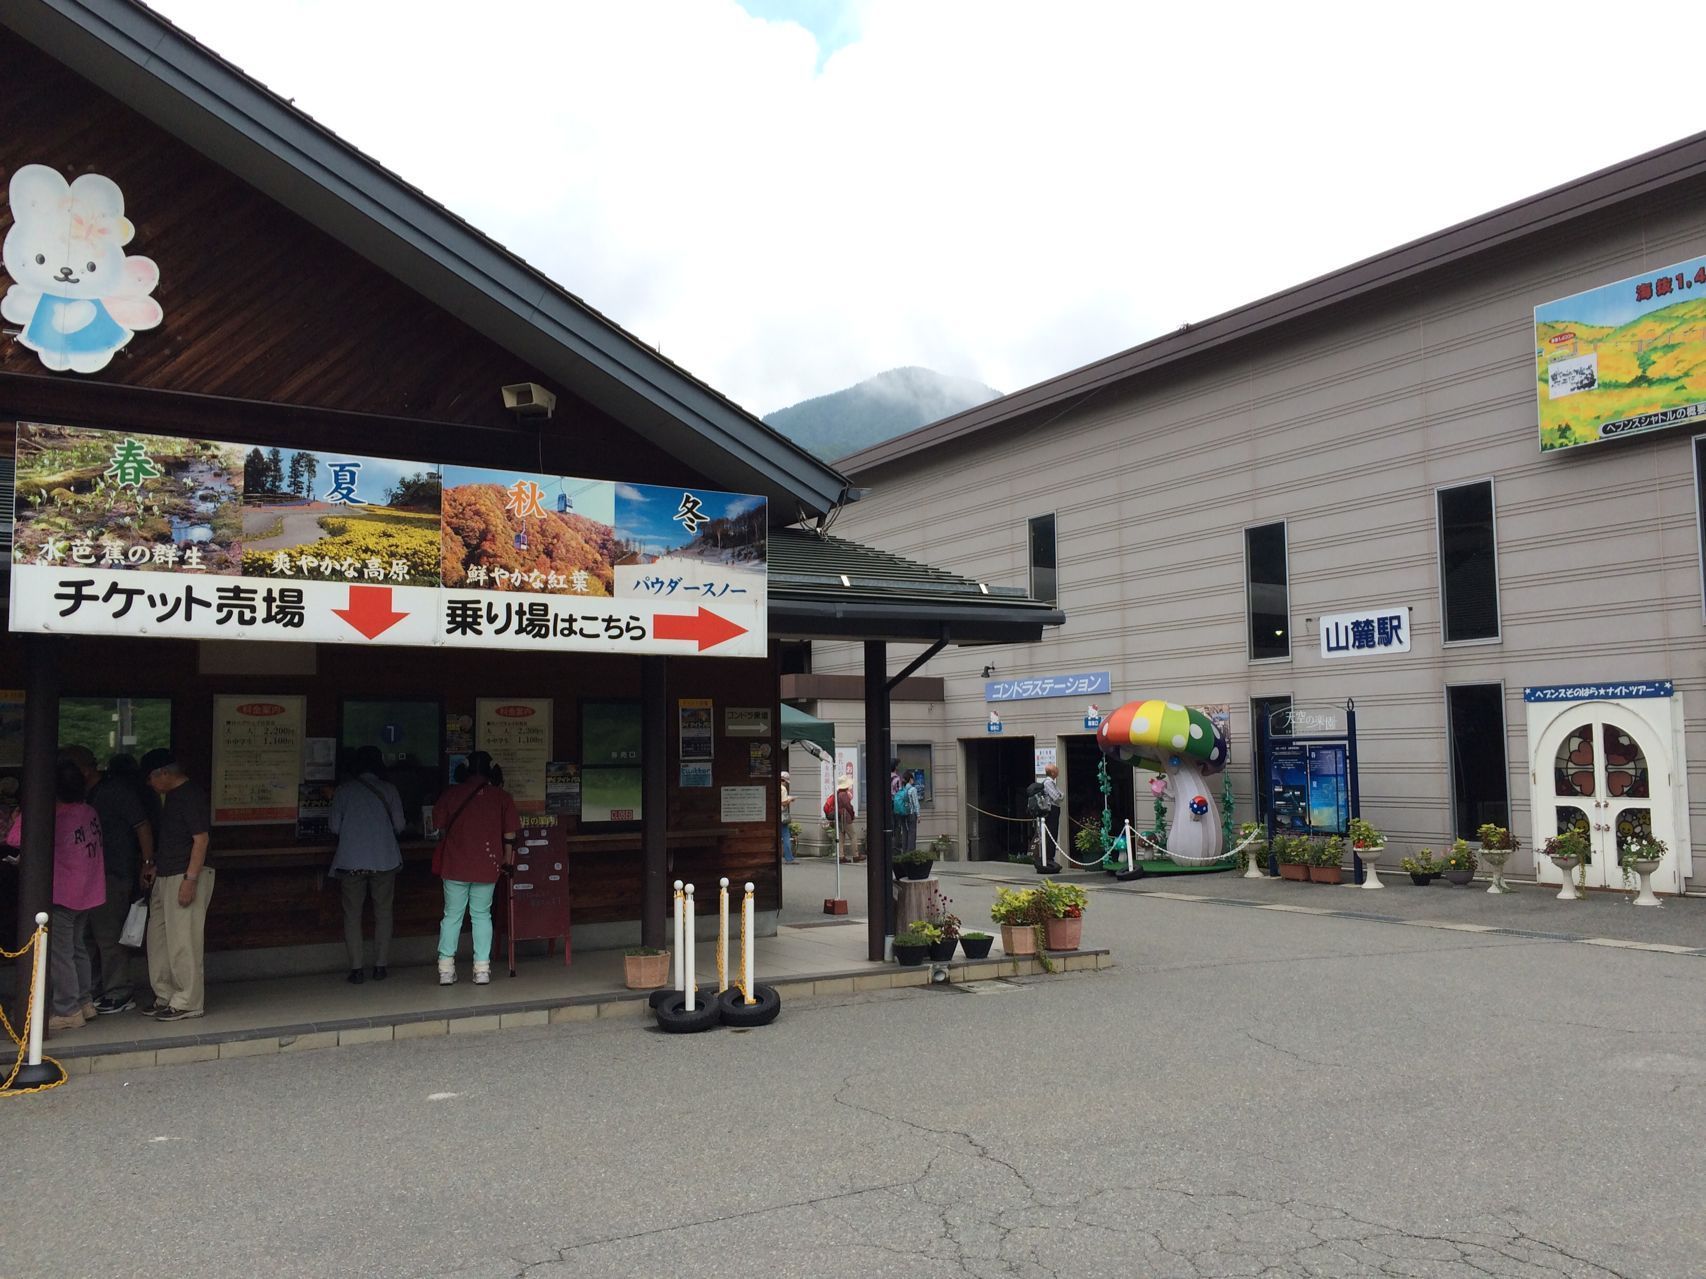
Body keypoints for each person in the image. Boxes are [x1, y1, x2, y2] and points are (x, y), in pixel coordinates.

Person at [5, 757, 106, 1034]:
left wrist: (21, 814)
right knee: (78, 948)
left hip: (63, 893)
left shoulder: (52, 816)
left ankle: (67, 1009)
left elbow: (14, 839)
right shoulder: (88, 811)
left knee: (61, 954)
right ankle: (85, 1001)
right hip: (88, 890)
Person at [63, 745, 154, 1014]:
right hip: (86, 876)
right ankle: (91, 991)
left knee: (109, 936)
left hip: (113, 873)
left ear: (85, 769)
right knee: (86, 937)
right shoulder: (81, 796)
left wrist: (147, 862)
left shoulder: (115, 791)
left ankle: (119, 991)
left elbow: (142, 825)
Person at [138, 748, 215, 1021]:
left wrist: (190, 879)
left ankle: (187, 1001)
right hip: (166, 874)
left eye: (150, 778)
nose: (150, 785)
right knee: (159, 940)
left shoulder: (191, 795)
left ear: (164, 773)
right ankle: (165, 994)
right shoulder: (170, 797)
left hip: (186, 875)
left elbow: (201, 839)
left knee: (184, 940)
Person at [430, 751, 518, 986]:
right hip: (487, 865)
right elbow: (510, 834)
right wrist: (507, 859)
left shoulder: (451, 794)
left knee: (452, 916)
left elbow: (436, 823)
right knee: (481, 915)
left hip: (455, 864)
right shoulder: (502, 797)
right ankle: (482, 969)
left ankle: (445, 968)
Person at [329, 744, 405, 985]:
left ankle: (357, 969)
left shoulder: (343, 791)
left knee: (352, 915)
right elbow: (400, 825)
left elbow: (334, 827)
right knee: (383, 912)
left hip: (351, 861)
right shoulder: (390, 790)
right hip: (384, 860)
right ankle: (381, 965)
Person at [826, 774, 859, 862]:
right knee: (853, 835)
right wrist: (852, 814)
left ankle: (841, 856)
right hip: (845, 816)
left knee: (841, 836)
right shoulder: (844, 794)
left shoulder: (837, 794)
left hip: (839, 816)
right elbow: (848, 807)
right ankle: (856, 855)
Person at [1038, 763, 1064, 872]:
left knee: (1052, 833)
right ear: (1052, 772)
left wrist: (1060, 795)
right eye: (1056, 770)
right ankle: (1048, 858)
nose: (1058, 771)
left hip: (1052, 810)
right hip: (1051, 810)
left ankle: (1049, 858)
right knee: (1051, 833)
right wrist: (1061, 795)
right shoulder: (1049, 783)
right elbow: (1057, 797)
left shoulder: (1049, 782)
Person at [778, 771, 795, 863]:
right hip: (782, 815)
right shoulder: (783, 788)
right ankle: (789, 858)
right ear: (783, 780)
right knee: (786, 836)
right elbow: (783, 802)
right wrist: (790, 800)